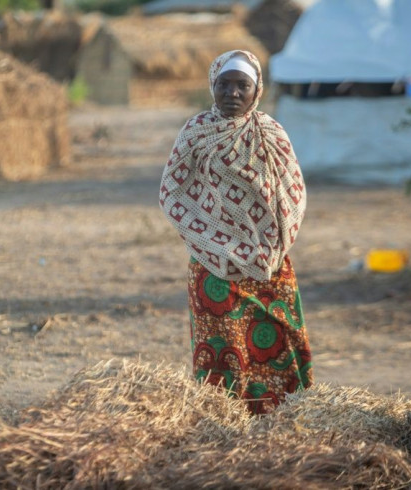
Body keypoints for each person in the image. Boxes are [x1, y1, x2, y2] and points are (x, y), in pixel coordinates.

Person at [159, 50, 313, 415]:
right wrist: (211, 243)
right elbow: (172, 191)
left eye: (241, 85)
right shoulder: (196, 131)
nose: (232, 93)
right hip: (213, 266)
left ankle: (285, 415)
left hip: (269, 263)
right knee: (222, 347)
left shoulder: (271, 133)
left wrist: (273, 249)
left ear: (257, 89)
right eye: (223, 84)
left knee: (282, 339)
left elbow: (294, 194)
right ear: (212, 85)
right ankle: (224, 420)